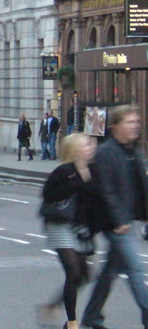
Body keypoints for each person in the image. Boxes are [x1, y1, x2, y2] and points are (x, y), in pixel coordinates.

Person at [81, 105, 148, 329]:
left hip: (130, 219)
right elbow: (105, 190)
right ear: (116, 126)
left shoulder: (134, 150)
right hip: (115, 223)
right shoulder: (105, 153)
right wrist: (119, 220)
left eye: (136, 122)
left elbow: (141, 185)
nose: (135, 126)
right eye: (129, 122)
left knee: (110, 272)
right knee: (135, 269)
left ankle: (91, 316)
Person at [38, 132, 96, 329]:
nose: (90, 148)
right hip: (59, 223)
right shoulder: (64, 171)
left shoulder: (93, 170)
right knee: (73, 271)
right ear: (75, 150)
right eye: (85, 145)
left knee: (83, 275)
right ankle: (72, 322)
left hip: (79, 226)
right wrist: (77, 181)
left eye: (90, 145)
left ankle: (53, 306)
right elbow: (48, 194)